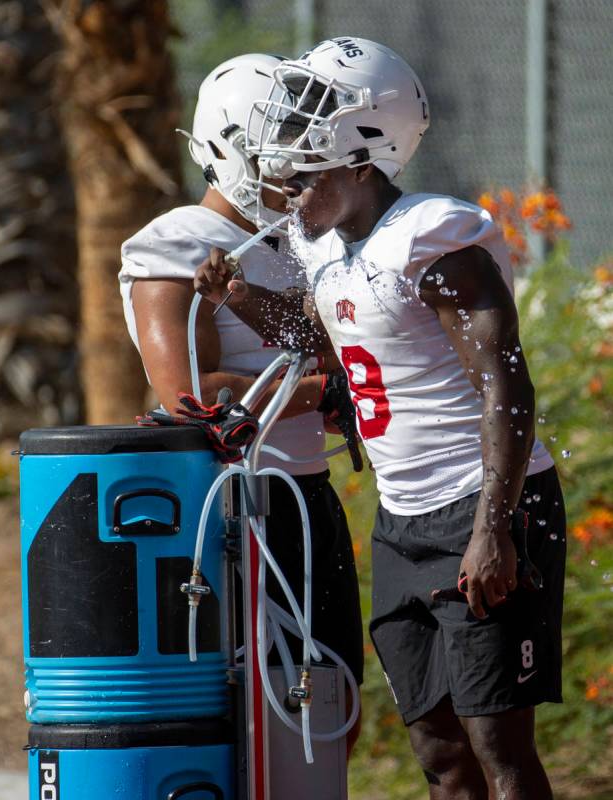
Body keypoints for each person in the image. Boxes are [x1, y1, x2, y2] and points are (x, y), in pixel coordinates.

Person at [194, 38, 566, 800]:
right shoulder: (329, 246)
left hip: (484, 503)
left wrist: (492, 528)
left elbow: (506, 385)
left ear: (362, 159)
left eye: (306, 163)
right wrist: (238, 298)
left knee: (497, 742)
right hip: (403, 518)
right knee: (437, 748)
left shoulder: (435, 238)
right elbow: (325, 330)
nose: (287, 183)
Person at [118, 53, 364, 753]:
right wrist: (328, 394)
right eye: (281, 150)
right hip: (227, 508)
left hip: (305, 493)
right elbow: (193, 396)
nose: (296, 169)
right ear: (228, 147)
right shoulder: (178, 241)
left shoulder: (298, 241)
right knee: (254, 718)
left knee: (329, 706)